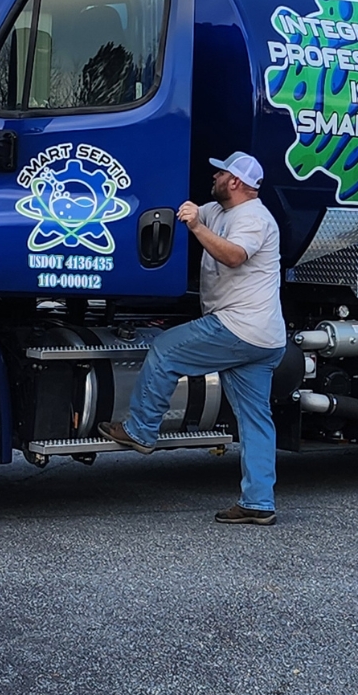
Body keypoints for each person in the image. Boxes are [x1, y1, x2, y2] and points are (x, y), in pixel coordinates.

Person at [99, 151, 286, 525]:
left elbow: (234, 256)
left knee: (165, 350)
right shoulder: (220, 209)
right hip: (264, 336)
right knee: (255, 422)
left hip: (239, 328)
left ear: (234, 181)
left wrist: (197, 228)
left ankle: (140, 431)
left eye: (220, 173)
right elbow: (190, 211)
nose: (213, 176)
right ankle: (259, 503)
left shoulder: (254, 217)